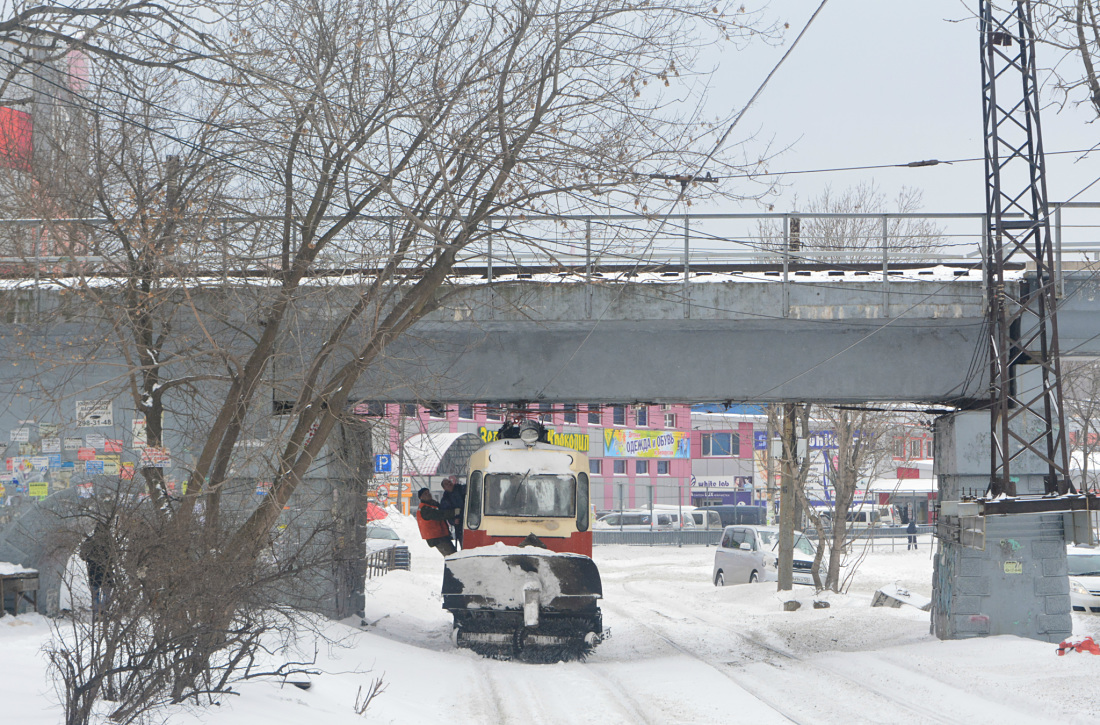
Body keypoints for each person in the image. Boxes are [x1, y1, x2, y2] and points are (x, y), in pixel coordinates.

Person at [80, 518, 116, 615]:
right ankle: (104, 611)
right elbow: (115, 556)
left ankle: (97, 612)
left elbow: (82, 556)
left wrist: (90, 559)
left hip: (93, 571)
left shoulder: (89, 541)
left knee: (95, 594)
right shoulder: (109, 542)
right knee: (107, 592)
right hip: (106, 571)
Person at [416, 488, 459, 556]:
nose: (428, 494)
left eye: (428, 492)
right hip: (437, 537)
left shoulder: (432, 505)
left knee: (451, 556)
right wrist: (454, 512)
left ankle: (450, 566)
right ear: (421, 497)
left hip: (440, 535)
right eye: (425, 494)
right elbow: (439, 514)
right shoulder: (424, 508)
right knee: (452, 556)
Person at [439, 476, 467, 549]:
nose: (449, 484)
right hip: (459, 524)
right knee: (463, 543)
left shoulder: (461, 489)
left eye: (449, 482)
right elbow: (445, 514)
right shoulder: (445, 499)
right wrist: (453, 521)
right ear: (444, 488)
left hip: (470, 518)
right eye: (446, 484)